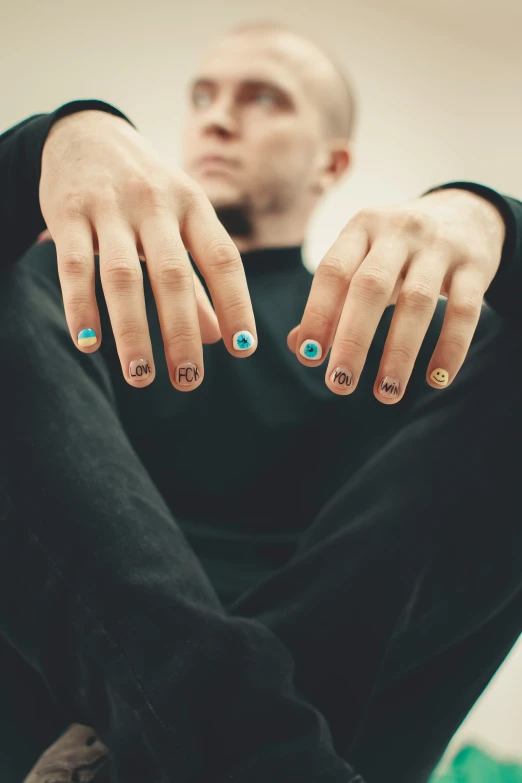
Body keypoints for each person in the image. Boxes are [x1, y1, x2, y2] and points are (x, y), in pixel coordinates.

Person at [1, 19, 521, 783]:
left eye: (264, 97)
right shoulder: (58, 290)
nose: (216, 115)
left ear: (331, 162)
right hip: (86, 709)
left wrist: (493, 218)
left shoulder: (411, 331)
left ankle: (208, 742)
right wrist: (52, 142)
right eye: (204, 94)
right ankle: (257, 751)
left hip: (348, 722)